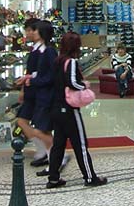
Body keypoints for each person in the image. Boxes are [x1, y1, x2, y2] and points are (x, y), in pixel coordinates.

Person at [46, 31, 107, 189]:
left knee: (58, 145)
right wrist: (84, 86)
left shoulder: (57, 61)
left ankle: (53, 178)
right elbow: (72, 82)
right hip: (70, 109)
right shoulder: (71, 62)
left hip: (56, 107)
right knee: (80, 145)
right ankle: (90, 177)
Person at [16, 20, 69, 177]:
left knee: (41, 130)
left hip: (46, 96)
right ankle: (52, 158)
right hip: (40, 95)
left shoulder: (48, 51)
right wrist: (28, 79)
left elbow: (50, 76)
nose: (31, 33)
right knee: (39, 129)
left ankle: (56, 158)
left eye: (35, 30)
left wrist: (31, 80)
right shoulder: (39, 50)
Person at [15, 18, 47, 167]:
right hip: (31, 91)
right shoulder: (36, 49)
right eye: (27, 30)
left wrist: (27, 82)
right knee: (26, 121)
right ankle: (44, 150)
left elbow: (40, 73)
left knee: (24, 121)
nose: (28, 33)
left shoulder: (43, 51)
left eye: (30, 30)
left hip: (36, 92)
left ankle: (46, 150)